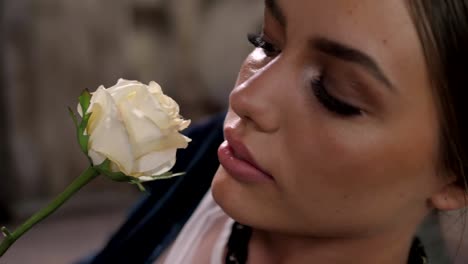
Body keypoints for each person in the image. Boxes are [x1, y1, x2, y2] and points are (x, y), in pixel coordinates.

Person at [79, 0, 468, 263]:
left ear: (456, 178)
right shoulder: (211, 156)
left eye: (334, 94)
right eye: (266, 43)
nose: (247, 97)